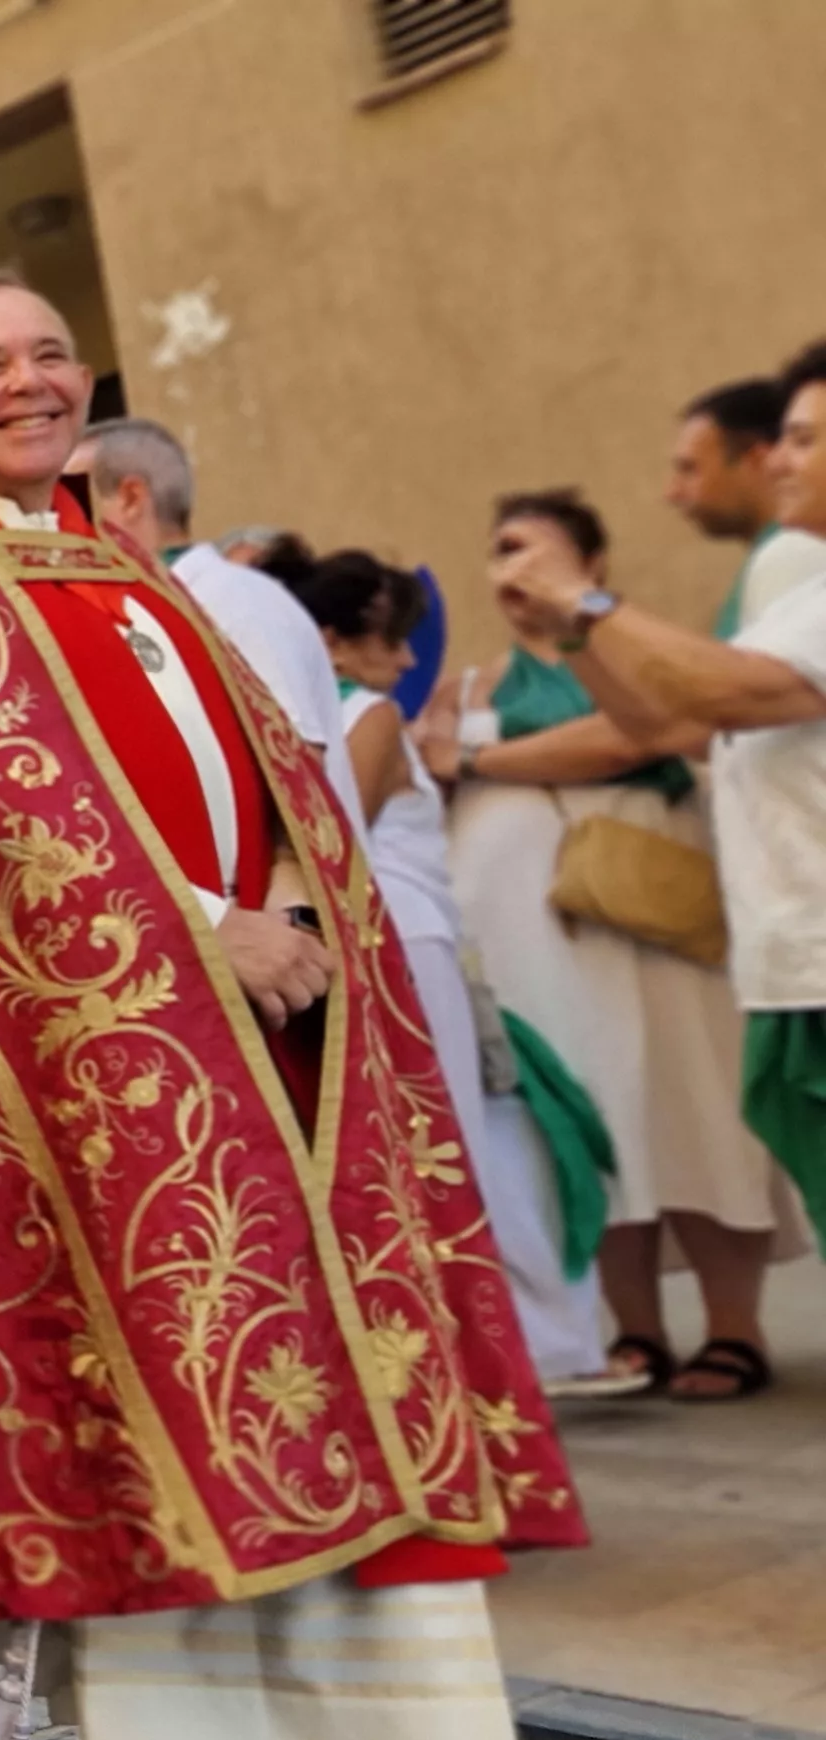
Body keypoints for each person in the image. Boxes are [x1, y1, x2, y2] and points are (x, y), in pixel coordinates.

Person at [0, 272, 578, 1740]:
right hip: (54, 1080)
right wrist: (201, 930)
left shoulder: (117, 562)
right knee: (51, 1414)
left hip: (266, 1049)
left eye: (53, 353)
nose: (32, 381)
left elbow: (272, 773)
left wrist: (298, 910)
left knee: (313, 1395)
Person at [419, 487, 789, 1400]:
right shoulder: (470, 685)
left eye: (533, 551)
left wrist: (479, 760)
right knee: (598, 1116)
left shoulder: (629, 652)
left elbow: (635, 734)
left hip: (662, 915)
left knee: (691, 1101)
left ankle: (735, 1328)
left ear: (593, 566)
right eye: (501, 550)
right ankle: (636, 1332)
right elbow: (421, 762)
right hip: (544, 935)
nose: (513, 570)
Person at [516, 339, 826, 1263]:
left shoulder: (791, 579)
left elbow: (733, 691)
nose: (779, 459)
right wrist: (571, 636)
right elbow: (677, 724)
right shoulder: (800, 589)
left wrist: (588, 604)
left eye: (805, 440)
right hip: (798, 962)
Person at [281, 551, 610, 1387]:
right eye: (388, 641)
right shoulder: (368, 714)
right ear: (333, 642)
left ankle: (481, 1341)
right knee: (445, 1139)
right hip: (404, 940)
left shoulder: (317, 716)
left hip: (395, 937)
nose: (402, 661)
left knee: (438, 1139)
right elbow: (334, 835)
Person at [73, 417, 363, 821]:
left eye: (69, 500)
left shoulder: (232, 599)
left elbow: (296, 762)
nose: (53, 523)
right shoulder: (146, 605)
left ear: (131, 497)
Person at [660, 377, 814, 639]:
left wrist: (584, 599)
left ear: (758, 459)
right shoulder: (776, 555)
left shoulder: (795, 550)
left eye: (690, 469)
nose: (672, 493)